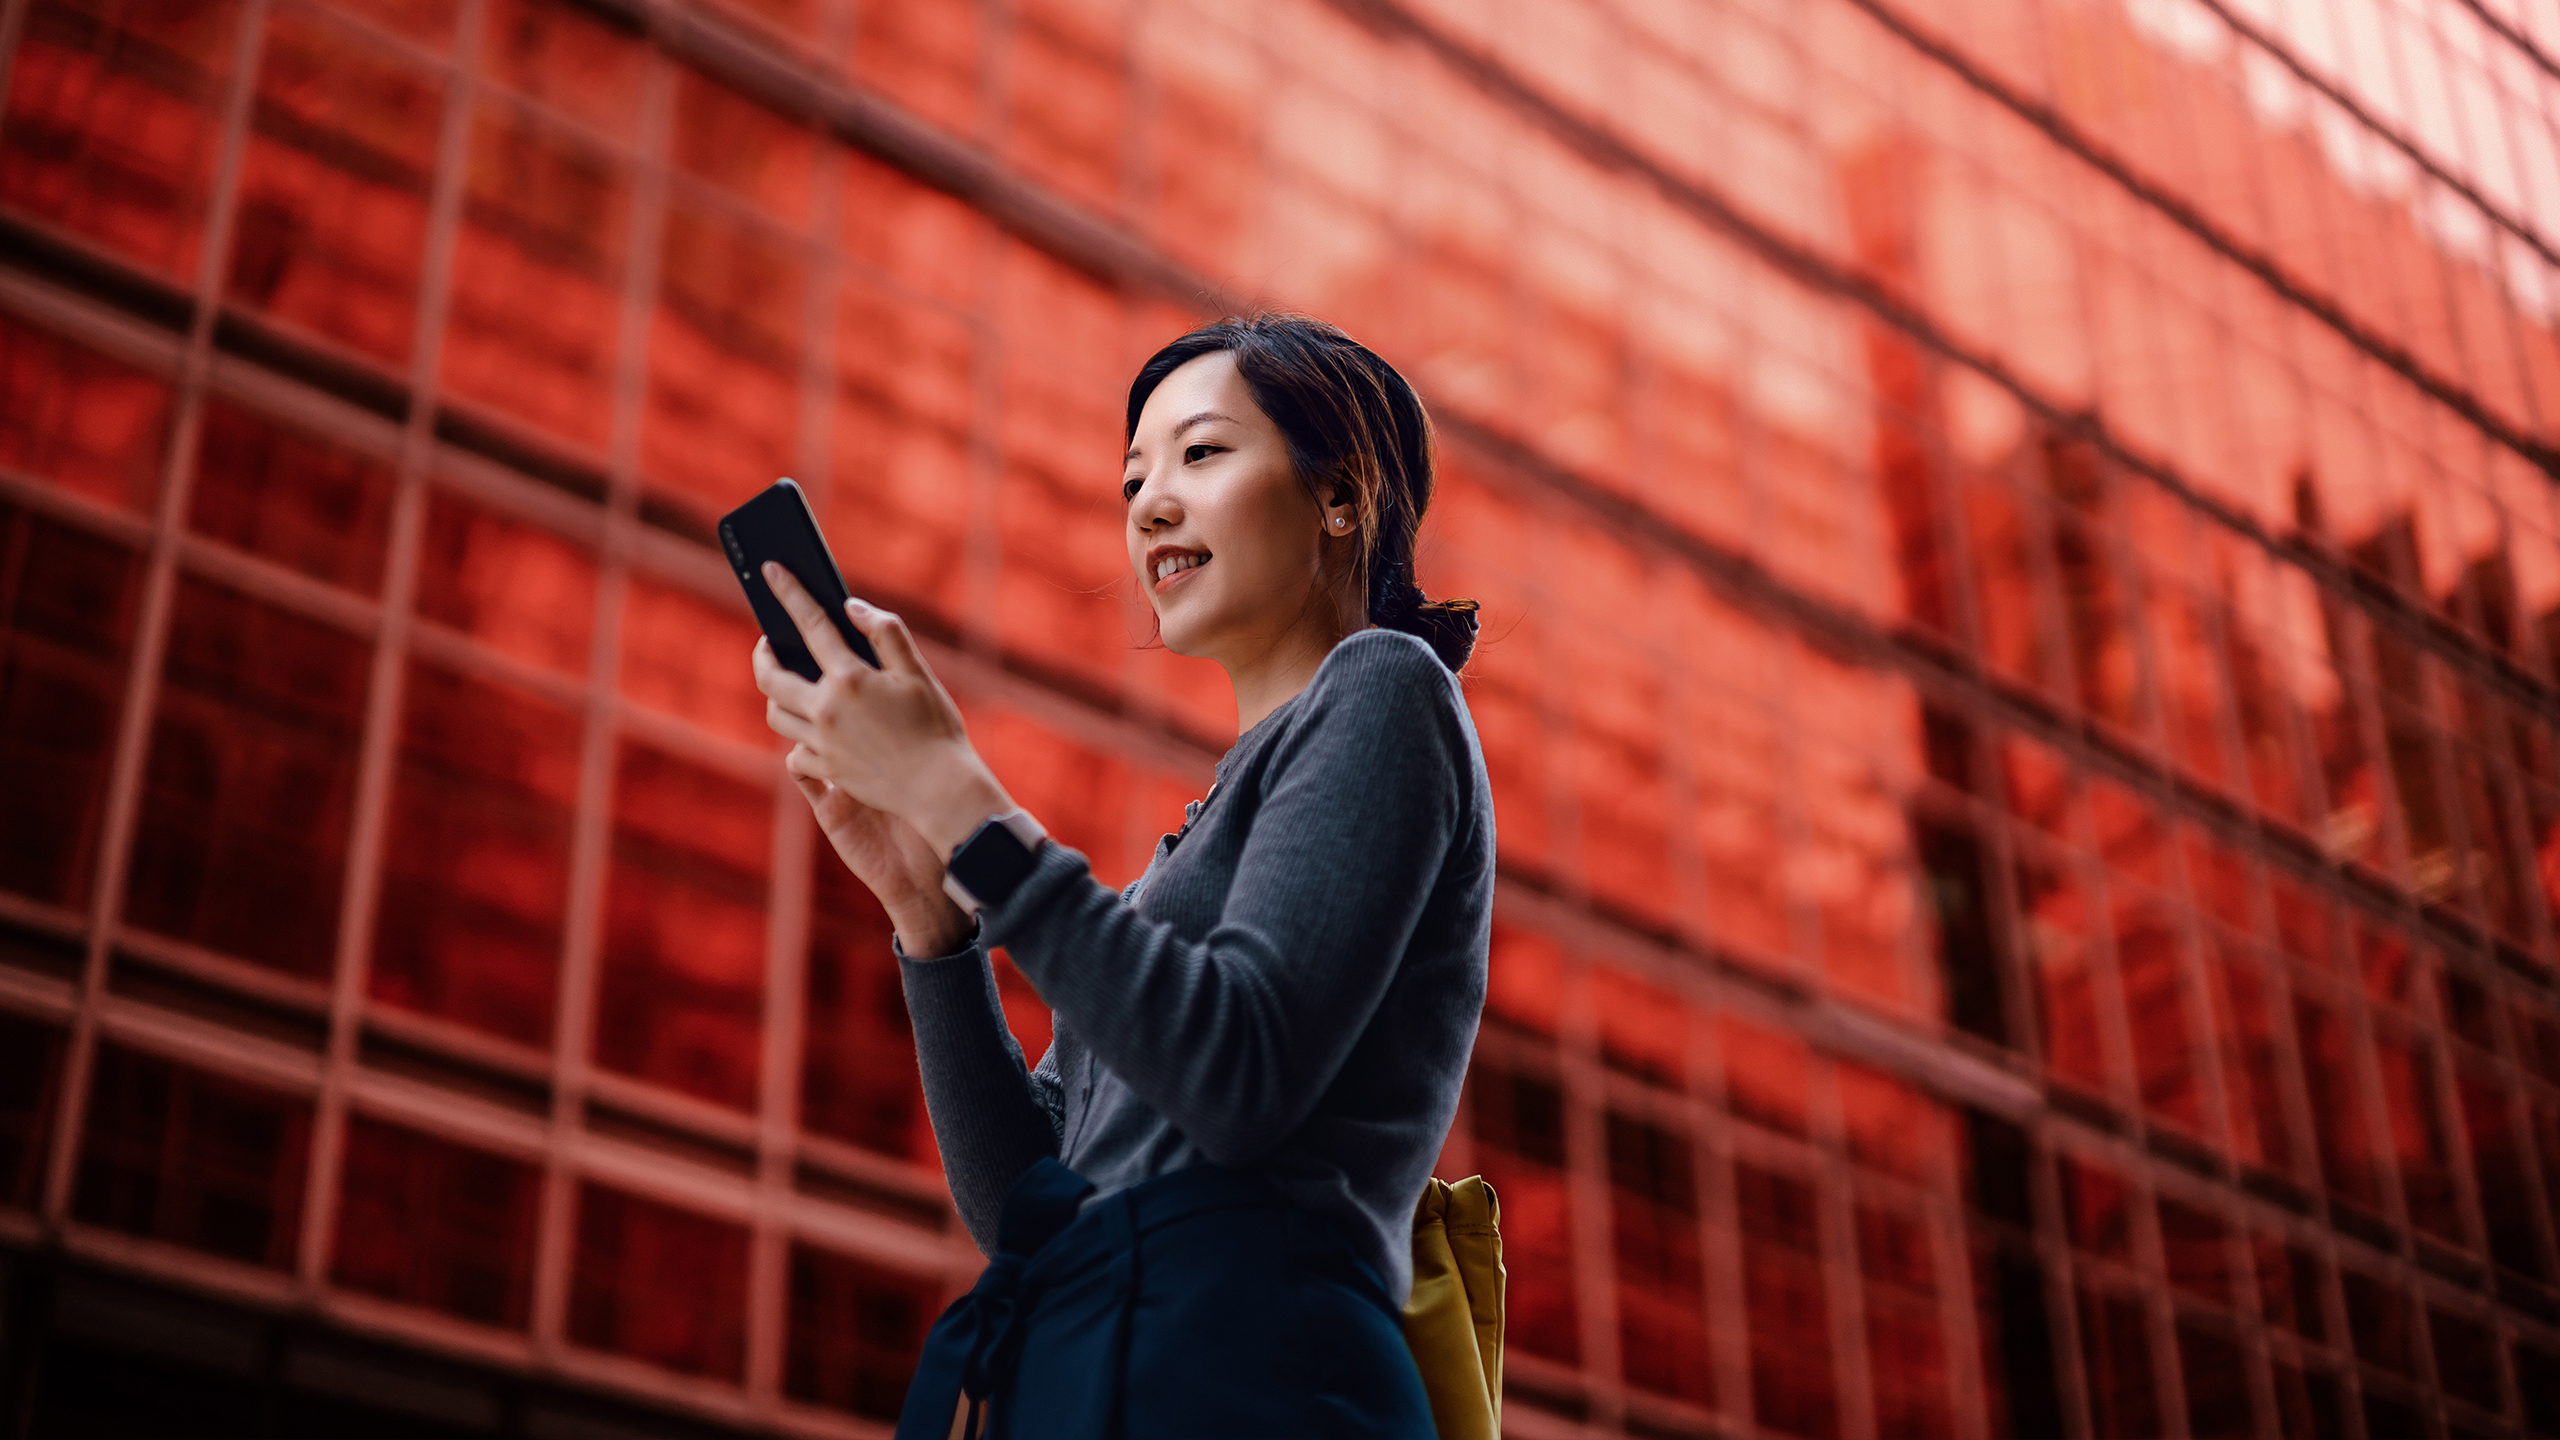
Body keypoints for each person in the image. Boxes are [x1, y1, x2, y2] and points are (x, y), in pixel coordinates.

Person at [750, 313, 1495, 1439]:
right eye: (1133, 476)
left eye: (1201, 454)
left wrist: (961, 798)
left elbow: (1237, 1072)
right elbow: (1029, 1208)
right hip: (1096, 1383)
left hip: (1257, 1380)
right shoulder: (1176, 859)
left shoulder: (1386, 689)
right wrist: (931, 923)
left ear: (1341, 497)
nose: (1149, 503)